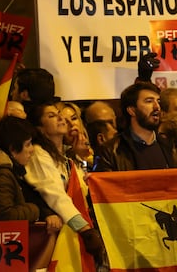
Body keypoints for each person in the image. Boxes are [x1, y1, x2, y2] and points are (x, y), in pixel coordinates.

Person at [25, 102, 104, 266]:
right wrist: (84, 230)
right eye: (51, 116)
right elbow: (55, 196)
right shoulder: (39, 154)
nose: (61, 118)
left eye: (59, 114)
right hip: (54, 235)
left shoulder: (66, 158)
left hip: (72, 231)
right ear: (40, 127)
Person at [0, 116, 60, 226]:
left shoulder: (14, 170)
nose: (32, 150)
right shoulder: (3, 174)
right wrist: (35, 210)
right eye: (28, 144)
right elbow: (4, 215)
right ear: (12, 149)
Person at [93, 82, 177, 171]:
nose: (156, 107)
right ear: (132, 110)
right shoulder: (110, 151)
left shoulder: (169, 146)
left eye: (158, 101)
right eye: (149, 101)